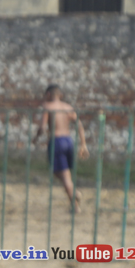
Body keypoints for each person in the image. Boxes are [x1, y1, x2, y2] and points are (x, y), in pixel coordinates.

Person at [35, 84, 88, 212]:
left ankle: (75, 198)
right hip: (68, 141)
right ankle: (74, 201)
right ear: (60, 95)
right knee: (63, 174)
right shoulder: (68, 107)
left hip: (56, 141)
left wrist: (36, 138)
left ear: (48, 94)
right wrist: (83, 144)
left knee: (64, 176)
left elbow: (42, 127)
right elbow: (79, 125)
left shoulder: (48, 107)